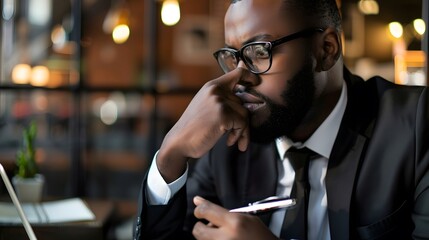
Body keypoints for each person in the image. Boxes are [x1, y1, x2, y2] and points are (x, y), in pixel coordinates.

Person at [134, 0, 429, 239]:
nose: (239, 79)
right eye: (232, 57)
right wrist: (171, 153)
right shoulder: (228, 137)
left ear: (326, 50)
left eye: (259, 52)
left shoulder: (415, 126)